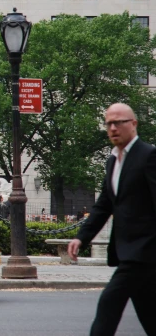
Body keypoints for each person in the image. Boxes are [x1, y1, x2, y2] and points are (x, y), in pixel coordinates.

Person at [67, 103, 156, 335]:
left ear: (134, 124)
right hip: (130, 251)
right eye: (109, 123)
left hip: (144, 252)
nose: (113, 128)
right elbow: (104, 205)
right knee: (150, 315)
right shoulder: (112, 161)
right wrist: (81, 238)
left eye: (119, 122)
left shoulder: (148, 156)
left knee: (109, 303)